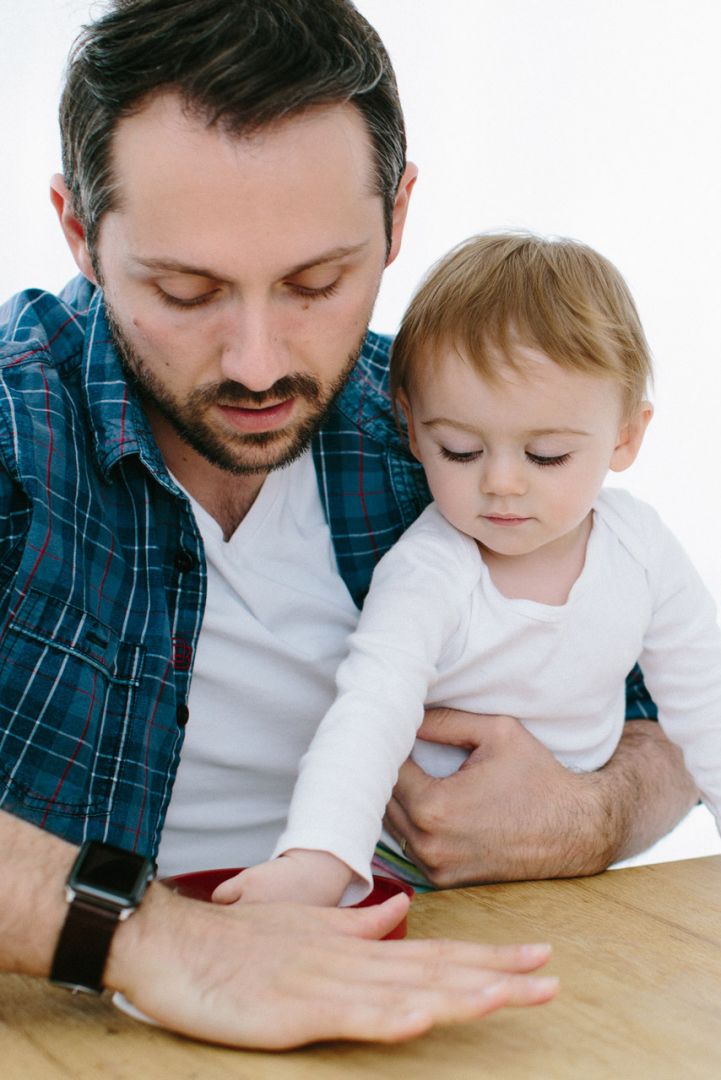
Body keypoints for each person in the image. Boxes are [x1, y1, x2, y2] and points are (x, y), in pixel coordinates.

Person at [0, 0, 692, 1045]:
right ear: (78, 232)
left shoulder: (447, 435)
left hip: (428, 1013)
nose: (258, 361)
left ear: (399, 219)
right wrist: (154, 939)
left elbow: (667, 721)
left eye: (316, 283)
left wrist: (592, 813)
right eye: (185, 290)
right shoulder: (19, 428)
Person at [219, 232, 721, 907]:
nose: (502, 484)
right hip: (413, 885)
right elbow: (368, 714)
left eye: (545, 455)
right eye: (458, 450)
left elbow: (703, 698)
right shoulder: (430, 572)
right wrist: (316, 861)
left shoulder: (639, 547)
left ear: (626, 435)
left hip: (569, 876)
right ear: (412, 428)